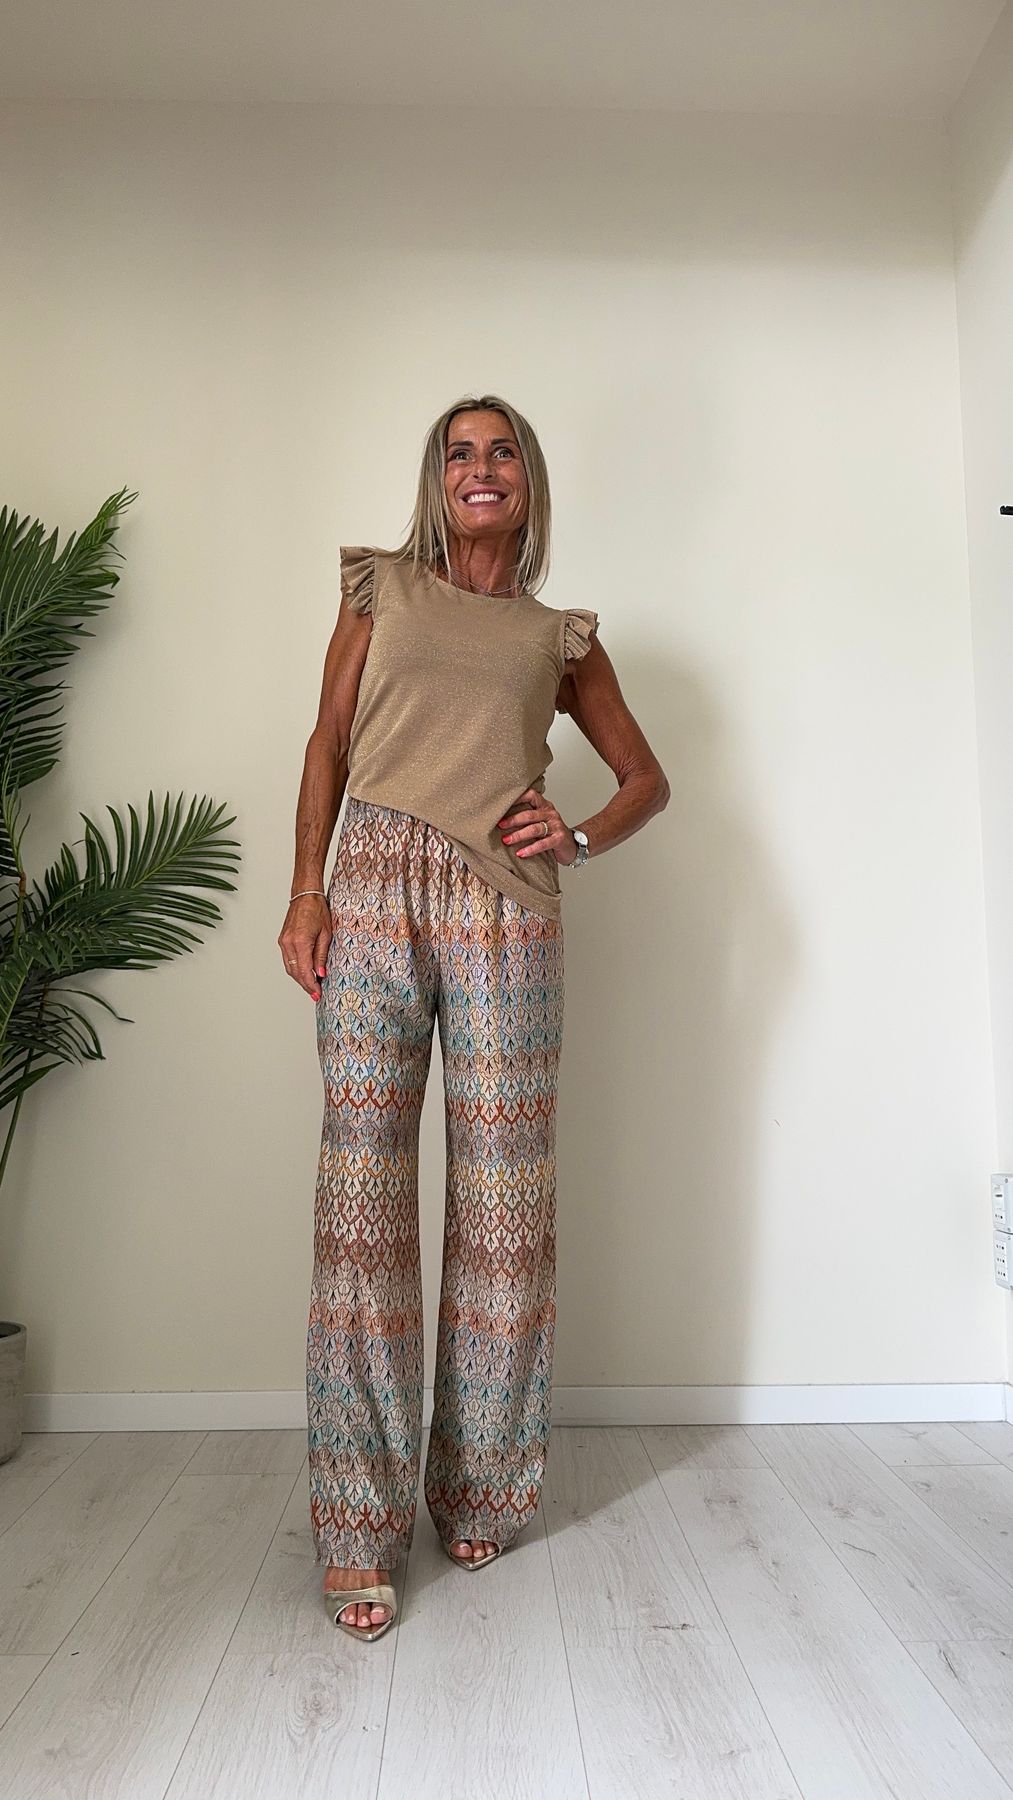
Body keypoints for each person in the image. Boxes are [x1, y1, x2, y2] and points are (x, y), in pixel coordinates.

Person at [279, 392, 669, 1641]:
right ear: (436, 479)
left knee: (503, 1206)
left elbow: (646, 779)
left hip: (507, 910)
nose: (480, 468)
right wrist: (305, 893)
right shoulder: (379, 591)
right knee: (360, 1205)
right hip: (370, 892)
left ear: (527, 480)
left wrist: (580, 835)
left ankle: (479, 1488)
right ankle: (358, 1530)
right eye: (459, 453)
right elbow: (326, 746)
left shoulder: (559, 638)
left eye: (501, 452)